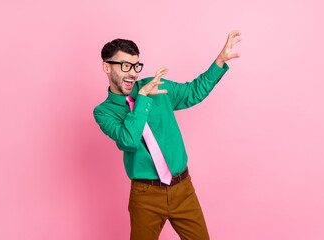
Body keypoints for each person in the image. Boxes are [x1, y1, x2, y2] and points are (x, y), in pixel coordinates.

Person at [93, 30, 241, 240]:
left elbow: (193, 92)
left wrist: (219, 61)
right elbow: (129, 140)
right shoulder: (104, 111)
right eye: (125, 66)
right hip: (145, 196)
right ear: (106, 67)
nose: (133, 73)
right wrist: (142, 99)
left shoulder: (157, 87)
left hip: (183, 189)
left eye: (136, 66)